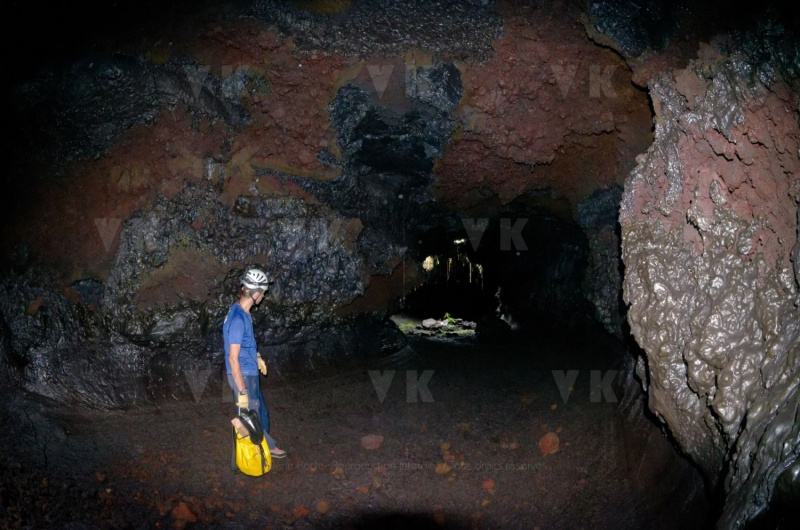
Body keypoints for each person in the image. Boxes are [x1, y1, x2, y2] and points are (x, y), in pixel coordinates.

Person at [224, 268, 286, 458]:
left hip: (249, 370)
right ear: (254, 292)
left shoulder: (242, 312)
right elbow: (233, 358)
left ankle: (251, 447)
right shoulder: (237, 319)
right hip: (243, 375)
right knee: (251, 415)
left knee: (260, 411)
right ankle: (264, 448)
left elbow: (244, 344)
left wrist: (256, 356)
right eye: (263, 292)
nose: (264, 296)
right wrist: (242, 390)